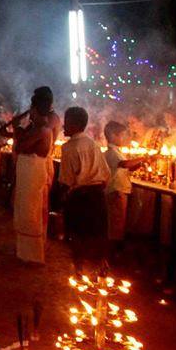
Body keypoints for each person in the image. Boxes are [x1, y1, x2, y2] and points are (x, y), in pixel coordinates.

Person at [58, 107, 110, 274]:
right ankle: (99, 269)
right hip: (98, 196)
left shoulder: (69, 148)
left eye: (66, 122)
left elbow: (66, 180)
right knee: (97, 234)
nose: (63, 126)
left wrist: (63, 198)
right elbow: (106, 173)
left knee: (78, 235)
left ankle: (80, 270)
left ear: (74, 124)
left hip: (79, 197)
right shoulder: (93, 144)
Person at [12, 87, 56, 264]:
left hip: (33, 175)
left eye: (31, 109)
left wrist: (16, 127)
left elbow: (21, 146)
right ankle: (23, 252)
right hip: (27, 174)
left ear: (36, 110)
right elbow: (22, 141)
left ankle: (33, 255)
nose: (29, 112)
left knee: (31, 211)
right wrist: (18, 128)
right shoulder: (35, 127)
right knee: (24, 208)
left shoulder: (43, 130)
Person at [104, 121, 147, 262]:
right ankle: (112, 253)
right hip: (116, 191)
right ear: (112, 136)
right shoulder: (111, 152)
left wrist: (141, 163)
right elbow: (125, 164)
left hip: (121, 189)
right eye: (122, 135)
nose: (124, 138)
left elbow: (128, 167)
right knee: (116, 222)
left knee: (120, 221)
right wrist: (143, 157)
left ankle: (115, 251)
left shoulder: (118, 152)